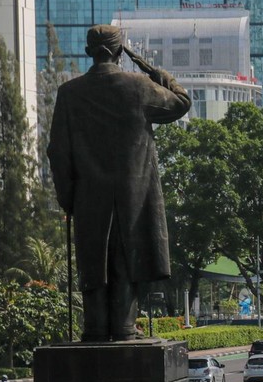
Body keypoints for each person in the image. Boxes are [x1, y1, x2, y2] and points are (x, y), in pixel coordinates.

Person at [47, 24, 191, 342]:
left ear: (88, 52)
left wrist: (67, 197)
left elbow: (57, 150)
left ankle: (95, 329)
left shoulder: (69, 94)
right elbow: (181, 101)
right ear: (119, 50)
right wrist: (153, 69)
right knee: (127, 258)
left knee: (93, 262)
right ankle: (125, 328)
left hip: (87, 196)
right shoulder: (139, 87)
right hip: (134, 195)